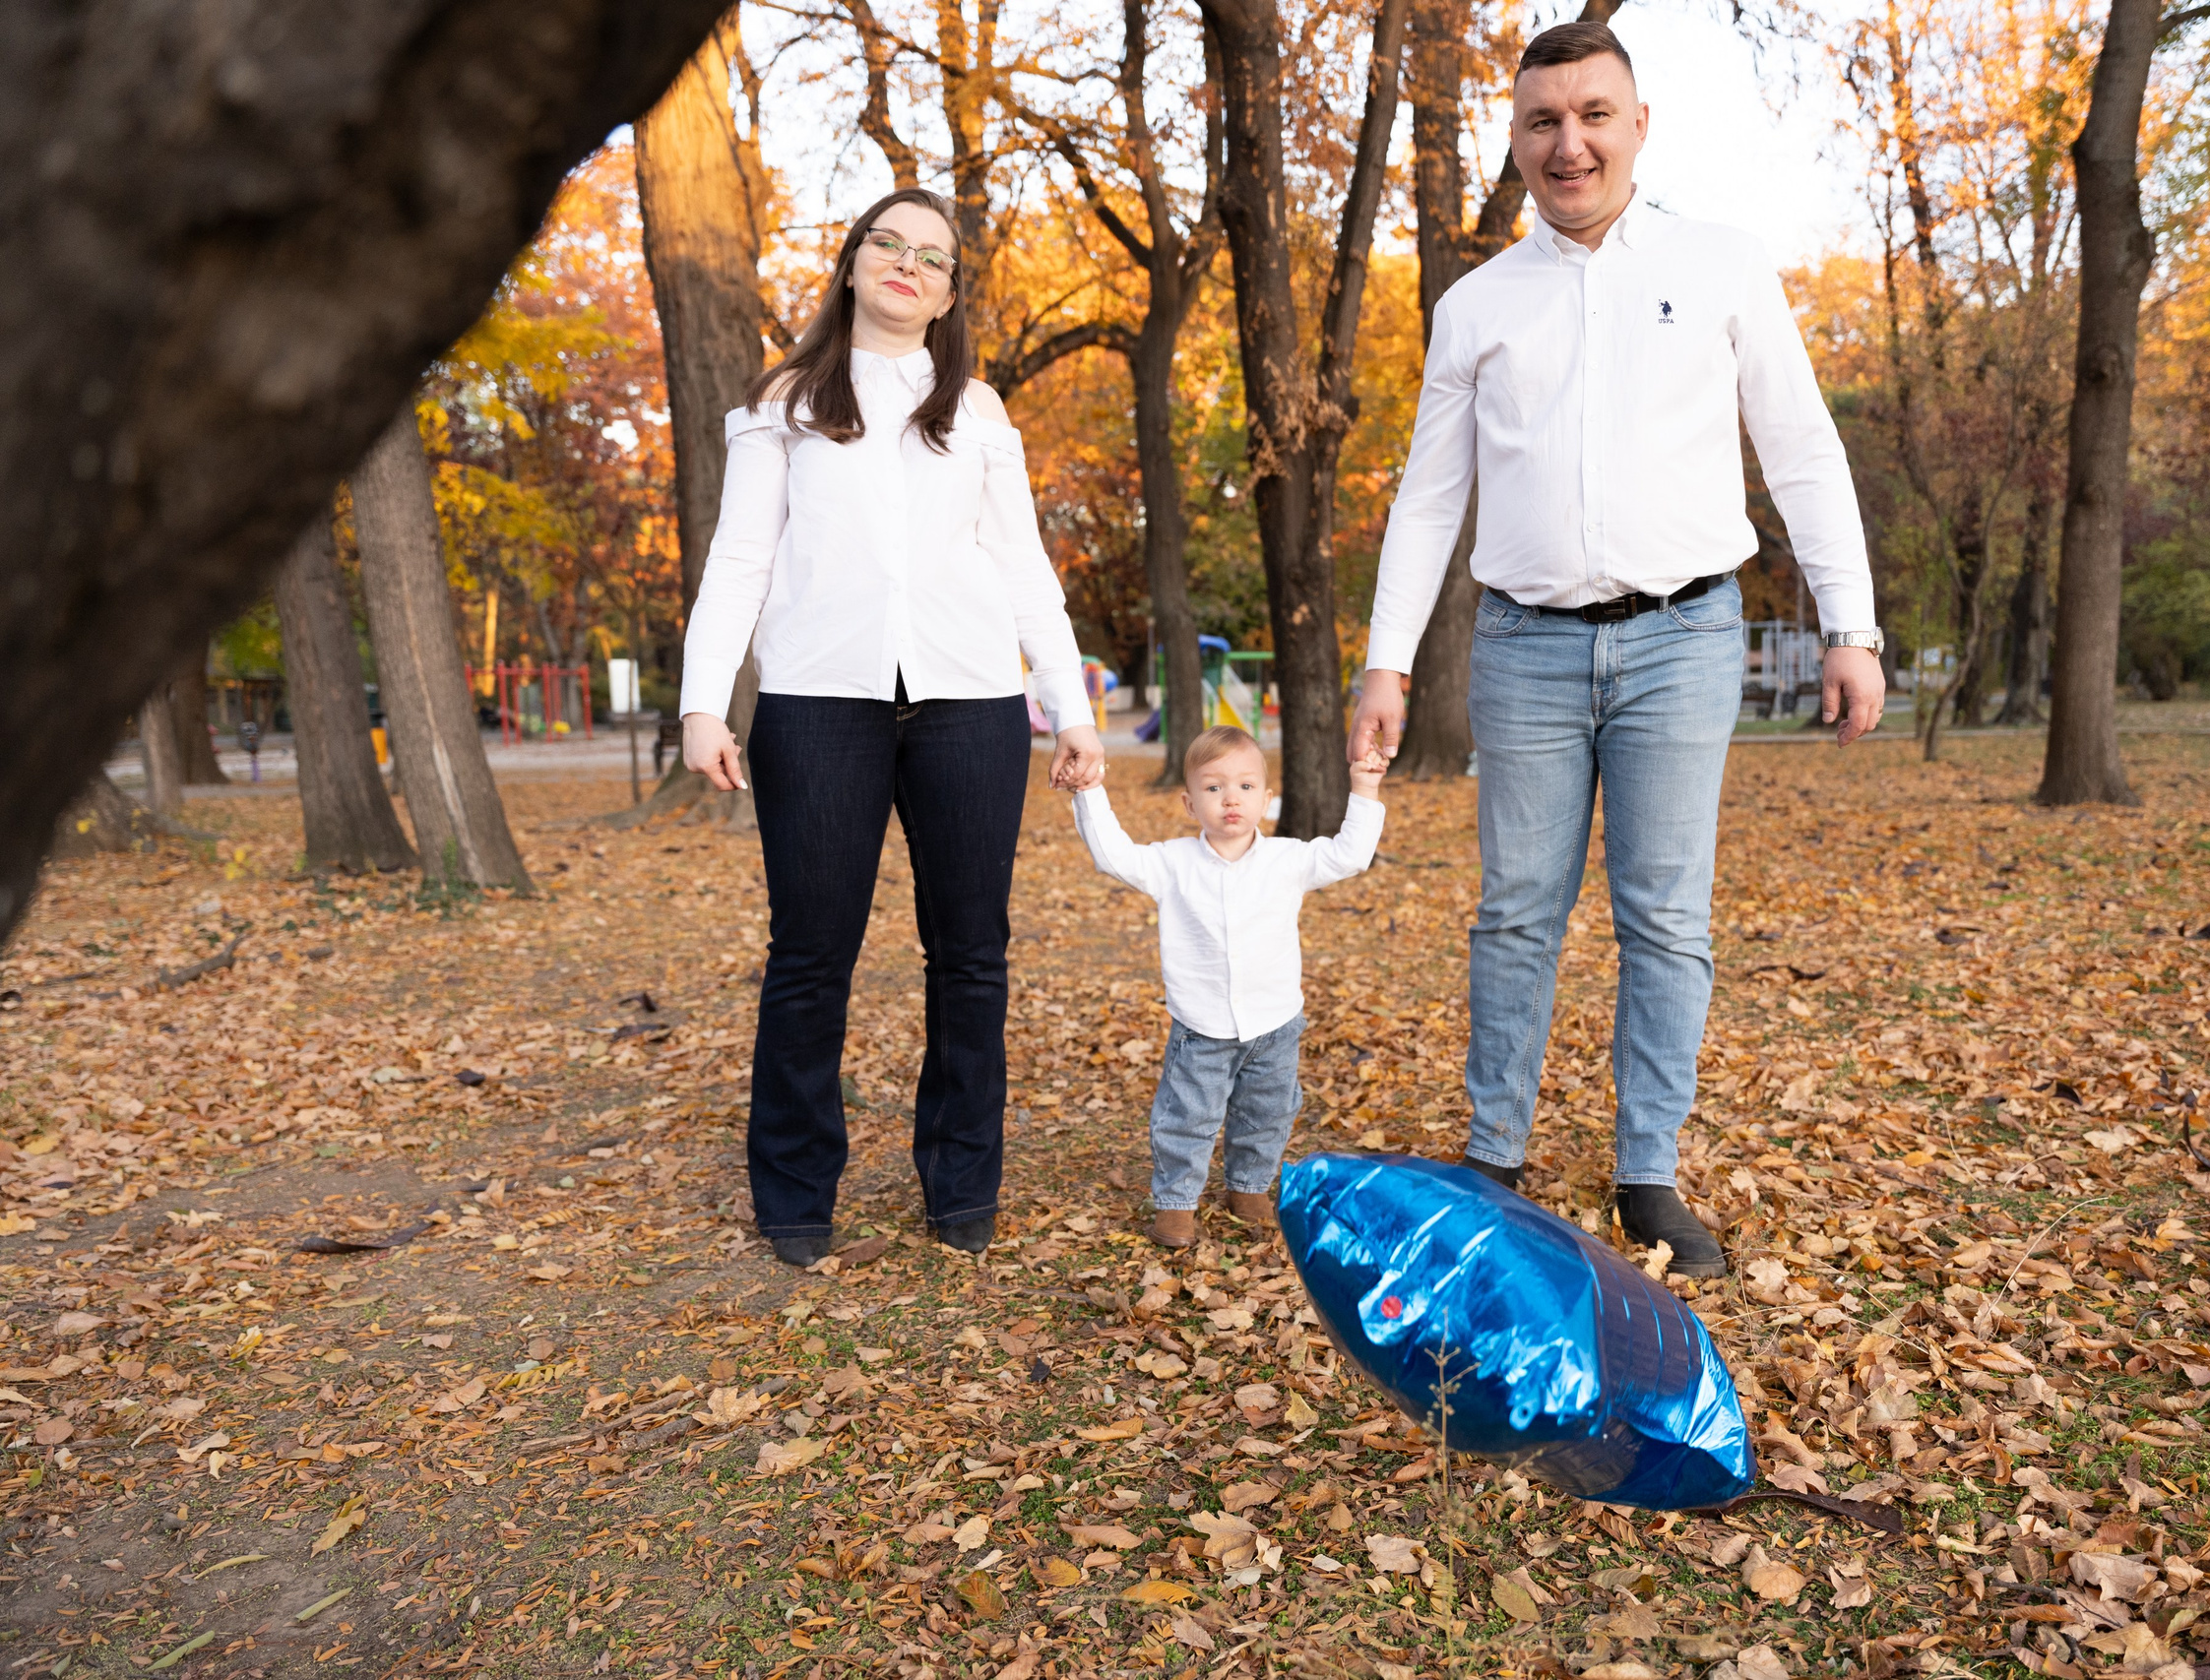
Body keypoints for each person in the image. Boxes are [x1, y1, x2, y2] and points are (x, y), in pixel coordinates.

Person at [1347, 22, 1886, 1278]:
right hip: (1523, 647)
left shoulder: (1722, 266)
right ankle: (1494, 1158)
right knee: (1516, 915)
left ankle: (1648, 1171)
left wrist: (1847, 627)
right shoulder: (1476, 304)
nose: (1567, 141)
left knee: (1665, 917)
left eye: (1592, 114)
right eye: (1542, 120)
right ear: (1517, 138)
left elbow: (1801, 451)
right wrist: (1387, 660)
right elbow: (1430, 496)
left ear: (1638, 124)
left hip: (1682, 638)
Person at [680, 187, 1105, 1267]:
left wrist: (1067, 700)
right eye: (891, 245)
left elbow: (1021, 566)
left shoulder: (979, 410)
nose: (909, 265)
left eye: (934, 258)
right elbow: (740, 561)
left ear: (950, 293)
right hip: (819, 708)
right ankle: (793, 1198)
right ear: (855, 260)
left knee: (970, 957)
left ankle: (961, 1191)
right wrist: (702, 701)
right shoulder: (784, 401)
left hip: (969, 707)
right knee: (810, 956)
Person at [1071, 726, 1386, 1248]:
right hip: (1203, 1025)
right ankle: (1176, 1204)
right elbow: (1114, 856)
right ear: (1190, 802)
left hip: (1276, 1023)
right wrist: (1089, 791)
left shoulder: (1288, 859)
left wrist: (1365, 789)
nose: (1230, 799)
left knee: (1268, 1113)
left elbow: (1350, 855)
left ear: (1266, 798)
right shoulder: (1171, 863)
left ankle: (1248, 1187)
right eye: (1213, 788)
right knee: (1187, 1119)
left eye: (1244, 786)